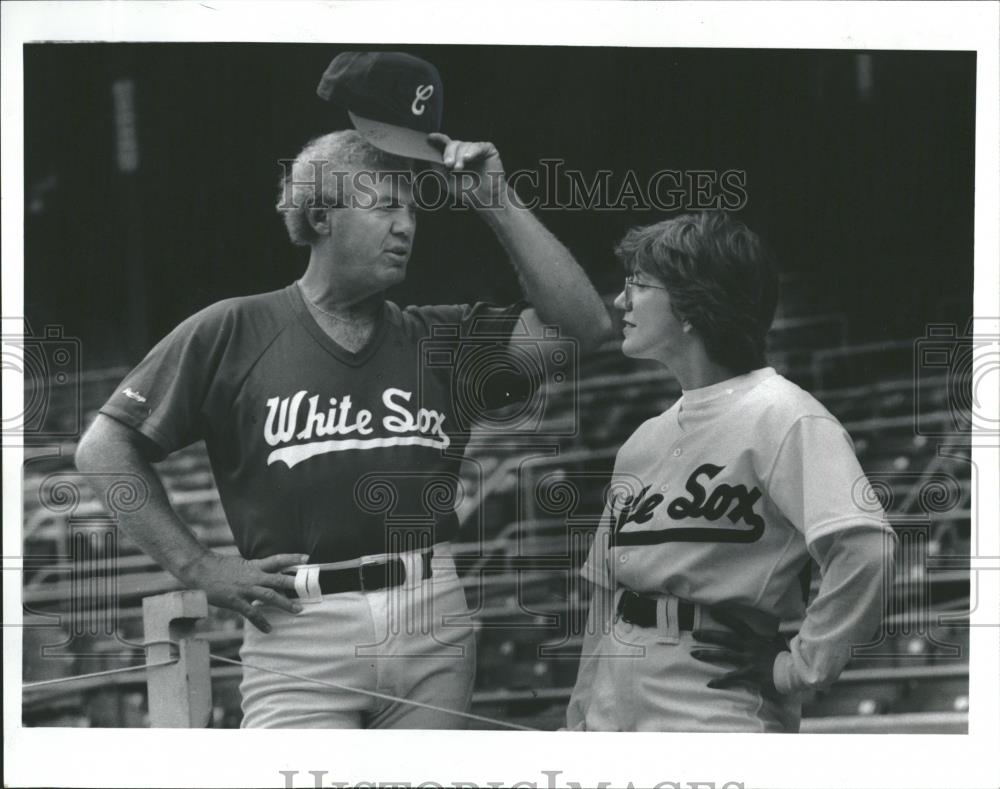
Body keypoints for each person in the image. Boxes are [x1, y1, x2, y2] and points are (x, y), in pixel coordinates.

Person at [75, 51, 611, 729]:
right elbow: (102, 448)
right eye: (384, 204)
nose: (406, 224)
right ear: (321, 216)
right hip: (298, 625)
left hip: (430, 617)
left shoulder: (441, 337)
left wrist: (496, 201)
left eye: (412, 208)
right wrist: (197, 564)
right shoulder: (235, 328)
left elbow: (584, 327)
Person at [564, 211, 895, 732]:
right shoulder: (642, 441)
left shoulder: (786, 415)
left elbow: (866, 549)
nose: (621, 301)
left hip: (713, 705)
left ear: (694, 304)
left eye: (639, 285)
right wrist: (580, 717)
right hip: (616, 700)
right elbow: (605, 595)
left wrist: (797, 668)